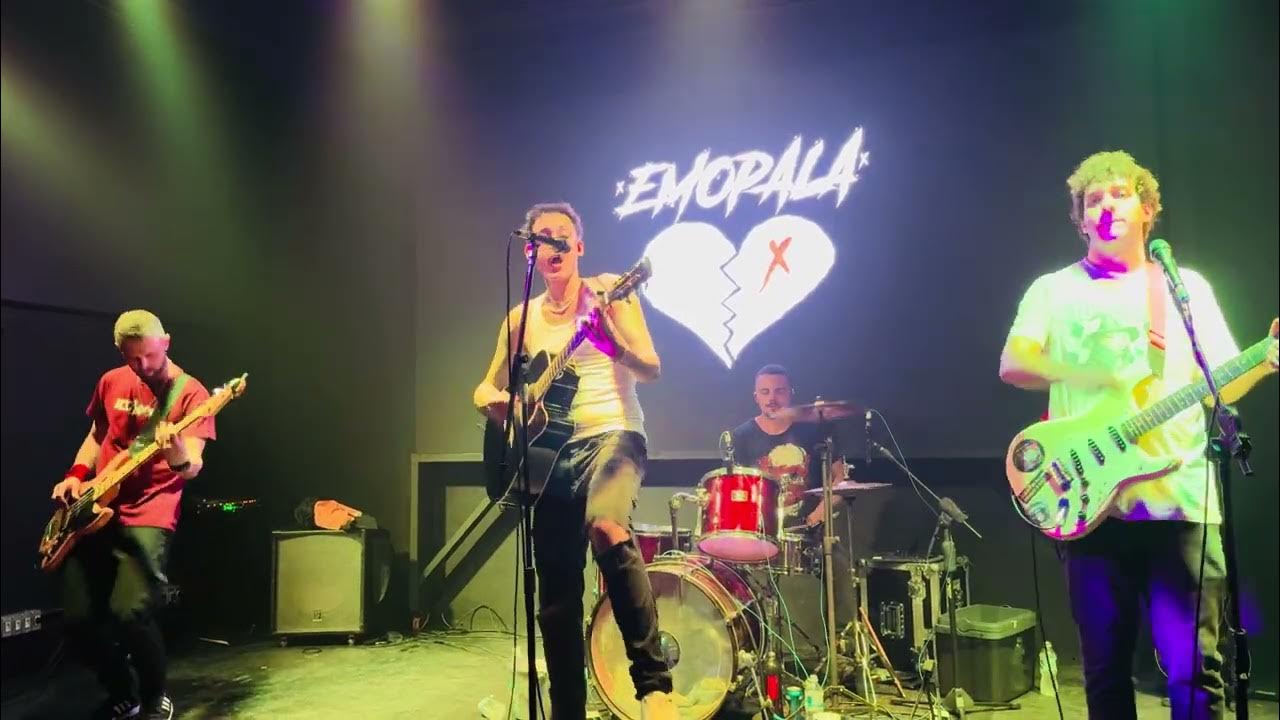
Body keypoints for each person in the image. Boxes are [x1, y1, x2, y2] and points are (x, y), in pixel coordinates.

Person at [999, 150, 1278, 719]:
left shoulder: (1183, 287)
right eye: (1092, 200)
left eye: (1119, 194)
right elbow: (1015, 362)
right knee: (1104, 671)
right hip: (1090, 503)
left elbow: (1216, 384)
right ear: (1080, 219)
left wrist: (1268, 359)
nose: (1105, 207)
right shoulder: (1053, 290)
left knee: (1196, 671)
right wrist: (1089, 372)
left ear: (1147, 209)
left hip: (1181, 501)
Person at [472, 202, 675, 720]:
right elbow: (484, 387)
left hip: (614, 435)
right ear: (532, 251)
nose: (553, 245)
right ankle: (568, 710)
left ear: (579, 246)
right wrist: (504, 405)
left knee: (606, 524)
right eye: (543, 237)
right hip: (549, 457)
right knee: (557, 592)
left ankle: (654, 688)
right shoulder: (520, 320)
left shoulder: (610, 291)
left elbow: (651, 367)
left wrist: (614, 347)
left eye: (563, 236)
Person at [50, 310, 217, 720]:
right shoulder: (111, 380)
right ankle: (123, 692)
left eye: (149, 356)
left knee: (131, 613)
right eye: (132, 358)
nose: (142, 366)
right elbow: (97, 435)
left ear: (166, 342)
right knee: (76, 621)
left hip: (150, 511)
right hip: (96, 508)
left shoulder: (191, 394)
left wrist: (176, 451)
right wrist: (76, 476)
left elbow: (192, 465)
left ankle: (155, 695)